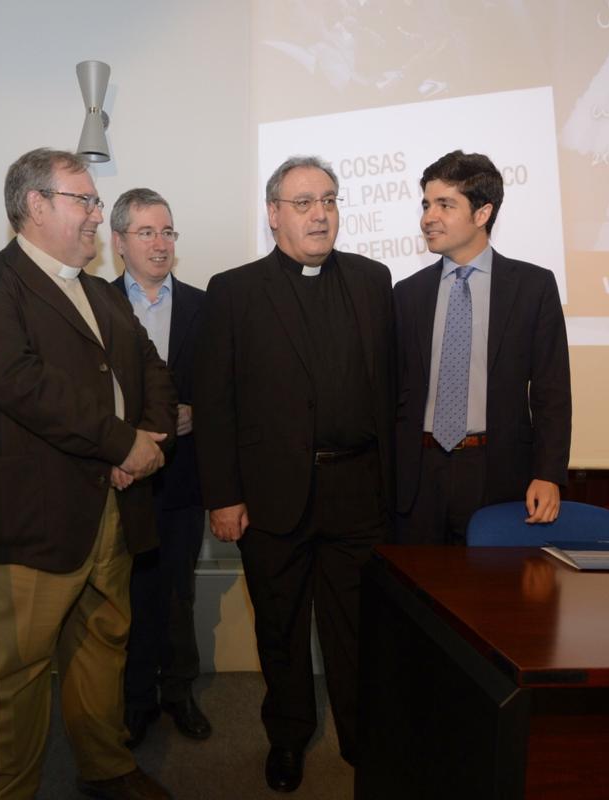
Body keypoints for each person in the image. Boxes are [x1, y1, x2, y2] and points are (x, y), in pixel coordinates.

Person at [193, 155, 395, 793]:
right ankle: (287, 737)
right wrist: (223, 497)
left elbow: (388, 389)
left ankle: (363, 735)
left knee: (355, 627)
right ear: (274, 213)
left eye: (329, 200)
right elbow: (217, 405)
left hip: (357, 490)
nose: (320, 213)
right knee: (279, 627)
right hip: (270, 496)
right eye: (304, 201)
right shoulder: (235, 290)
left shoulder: (371, 279)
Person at [0, 147, 177, 800]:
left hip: (114, 512)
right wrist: (122, 443)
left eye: (95, 202)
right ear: (36, 204)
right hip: (39, 521)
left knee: (103, 644)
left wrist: (146, 441)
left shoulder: (100, 289)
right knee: (20, 673)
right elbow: (20, 384)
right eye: (85, 200)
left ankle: (107, 768)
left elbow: (151, 366)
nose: (98, 215)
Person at [394, 150, 571, 544]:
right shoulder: (407, 294)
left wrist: (548, 473)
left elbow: (551, 391)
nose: (428, 217)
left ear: (482, 214)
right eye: (426, 204)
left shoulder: (532, 288)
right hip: (418, 477)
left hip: (497, 472)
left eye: (444, 204)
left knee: (492, 600)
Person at [109, 188, 210, 748]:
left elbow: (228, 385)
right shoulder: (94, 302)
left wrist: (201, 412)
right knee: (125, 594)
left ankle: (178, 692)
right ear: (118, 241)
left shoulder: (204, 304)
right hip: (120, 476)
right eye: (146, 232)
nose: (160, 243)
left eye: (168, 231)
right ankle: (134, 702)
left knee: (178, 592)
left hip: (184, 478)